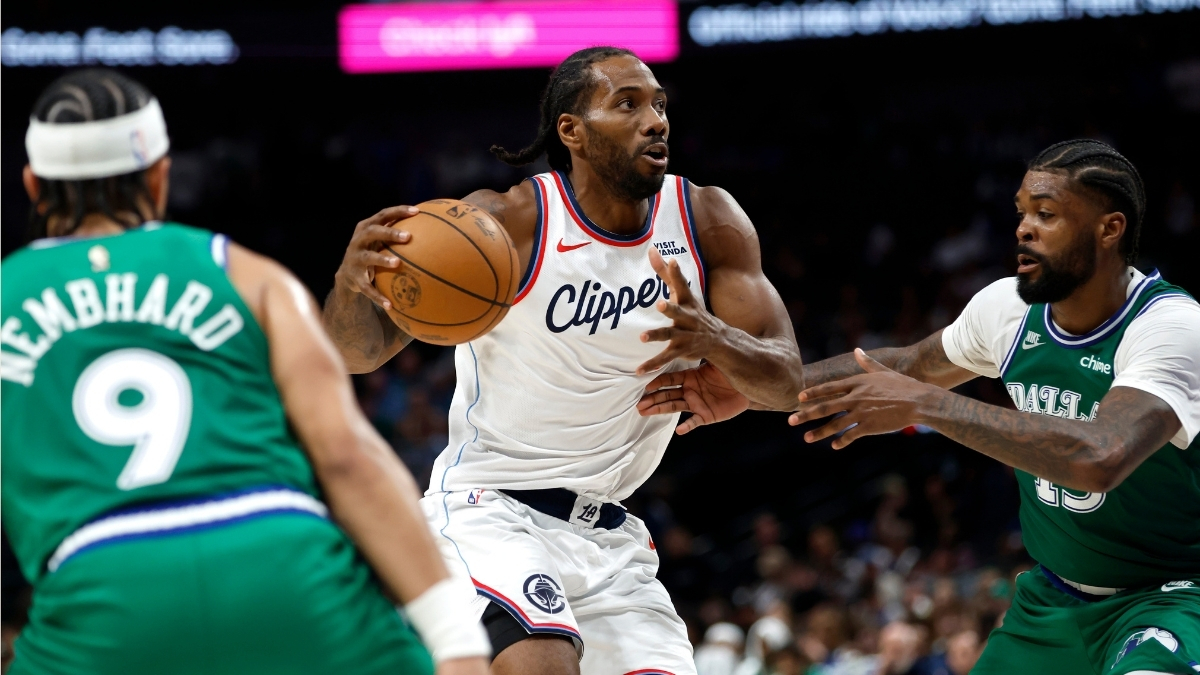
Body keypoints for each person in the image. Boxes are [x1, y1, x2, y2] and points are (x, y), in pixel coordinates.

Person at [322, 46, 804, 675]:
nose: (655, 120)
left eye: (659, 104)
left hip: (610, 532)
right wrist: (351, 285)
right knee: (540, 663)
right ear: (570, 130)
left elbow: (785, 382)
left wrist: (713, 337)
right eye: (627, 104)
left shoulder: (707, 219)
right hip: (490, 508)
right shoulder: (508, 223)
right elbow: (357, 355)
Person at [644, 140, 1200, 675]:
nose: (1023, 228)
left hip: (1170, 595)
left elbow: (1101, 457)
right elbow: (905, 368)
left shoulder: (1169, 327)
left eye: (1047, 214)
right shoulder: (1005, 308)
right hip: (1055, 601)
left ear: (1110, 228)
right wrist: (751, 387)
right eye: (1021, 212)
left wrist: (932, 407)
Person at [0, 69, 490, 675]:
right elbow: (347, 456)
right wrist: (457, 642)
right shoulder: (254, 277)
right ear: (160, 175)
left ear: (32, 184)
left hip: (100, 579)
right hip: (283, 560)